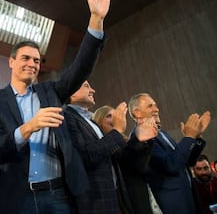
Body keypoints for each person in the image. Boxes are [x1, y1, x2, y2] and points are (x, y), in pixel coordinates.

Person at [0, 0, 113, 214]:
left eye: (37, 61)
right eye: (26, 58)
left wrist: (96, 21)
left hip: (58, 195)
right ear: (11, 62)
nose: (32, 64)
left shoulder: (51, 91)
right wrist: (29, 127)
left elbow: (80, 68)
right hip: (17, 197)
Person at [65, 81, 157, 213]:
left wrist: (138, 138)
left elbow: (126, 161)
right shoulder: (67, 117)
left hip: (116, 198)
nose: (93, 90)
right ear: (72, 92)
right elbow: (87, 156)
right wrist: (118, 130)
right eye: (86, 86)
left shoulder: (91, 123)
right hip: (95, 201)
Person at [128, 92, 211, 214]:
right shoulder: (140, 138)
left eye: (155, 105)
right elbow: (171, 165)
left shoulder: (162, 134)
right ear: (137, 113)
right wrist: (188, 138)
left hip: (186, 199)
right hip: (172, 204)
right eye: (150, 106)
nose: (156, 109)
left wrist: (195, 137)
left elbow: (185, 161)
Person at [93, 104, 161, 214]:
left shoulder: (126, 141)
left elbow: (140, 166)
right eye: (109, 116)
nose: (114, 119)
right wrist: (138, 140)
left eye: (116, 116)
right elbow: (126, 161)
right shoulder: (100, 147)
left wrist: (146, 139)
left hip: (141, 197)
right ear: (99, 122)